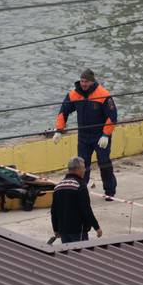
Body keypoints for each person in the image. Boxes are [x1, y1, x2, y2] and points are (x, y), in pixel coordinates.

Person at [53, 68, 117, 198]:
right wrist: (59, 130)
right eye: (82, 81)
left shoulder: (103, 95)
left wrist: (106, 134)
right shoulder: (73, 94)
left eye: (86, 81)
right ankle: (81, 190)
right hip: (83, 137)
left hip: (100, 137)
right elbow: (63, 112)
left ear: (92, 82)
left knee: (104, 163)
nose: (83, 84)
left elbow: (112, 116)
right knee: (81, 165)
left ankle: (110, 191)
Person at [51, 157, 103, 244]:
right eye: (83, 168)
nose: (85, 170)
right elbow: (86, 209)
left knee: (68, 255)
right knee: (80, 255)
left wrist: (56, 229)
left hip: (63, 231)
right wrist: (97, 227)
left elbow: (54, 211)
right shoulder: (80, 185)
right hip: (78, 230)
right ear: (78, 169)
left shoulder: (58, 187)